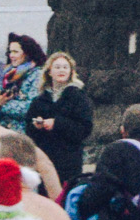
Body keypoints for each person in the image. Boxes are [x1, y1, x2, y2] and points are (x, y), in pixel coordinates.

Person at [24, 51, 93, 189]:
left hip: (69, 161)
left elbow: (84, 129)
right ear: (49, 71)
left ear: (71, 71)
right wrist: (36, 126)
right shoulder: (40, 100)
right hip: (45, 159)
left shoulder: (79, 97)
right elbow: (28, 126)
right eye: (57, 67)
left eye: (65, 67)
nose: (61, 70)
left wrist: (57, 123)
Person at [0, 33, 47, 132]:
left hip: (26, 135)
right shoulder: (9, 77)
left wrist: (1, 105)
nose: (11, 55)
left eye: (15, 52)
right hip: (6, 133)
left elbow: (30, 108)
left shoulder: (38, 75)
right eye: (10, 52)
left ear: (27, 53)